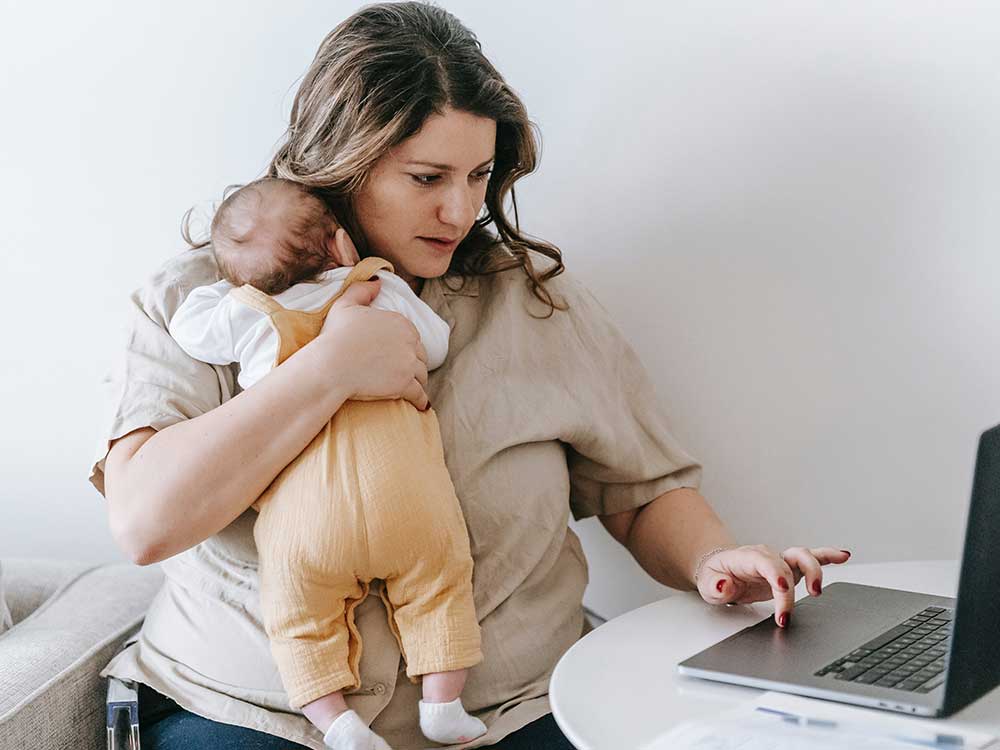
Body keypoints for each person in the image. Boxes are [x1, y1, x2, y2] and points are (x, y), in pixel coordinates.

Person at [91, 3, 850, 748]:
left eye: (479, 175)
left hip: (513, 709)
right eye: (426, 177)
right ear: (343, 163)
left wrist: (711, 561)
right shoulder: (202, 303)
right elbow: (146, 522)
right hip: (252, 711)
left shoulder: (535, 303)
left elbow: (640, 489)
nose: (459, 210)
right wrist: (328, 370)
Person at [167, 176, 487, 749]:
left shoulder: (251, 314)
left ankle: (336, 723)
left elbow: (190, 328)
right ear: (341, 244)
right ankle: (443, 704)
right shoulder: (376, 287)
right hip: (407, 497)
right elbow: (434, 345)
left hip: (306, 516)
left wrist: (231, 287)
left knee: (297, 619)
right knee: (441, 584)